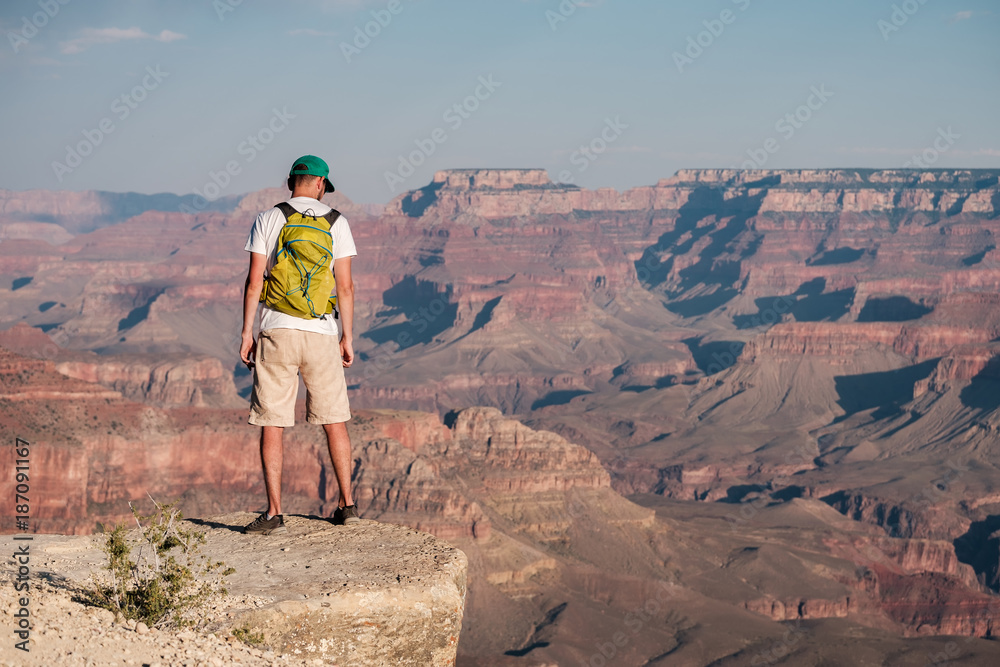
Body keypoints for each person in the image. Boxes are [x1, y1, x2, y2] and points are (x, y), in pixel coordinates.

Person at [239, 155, 360, 535]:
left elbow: (254, 280)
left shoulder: (270, 217)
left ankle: (274, 511)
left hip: (277, 329)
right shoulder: (337, 222)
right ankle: (347, 504)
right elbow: (345, 286)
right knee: (334, 420)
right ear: (322, 185)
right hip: (322, 332)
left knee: (273, 422)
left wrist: (247, 333)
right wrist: (347, 336)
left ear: (291, 181)